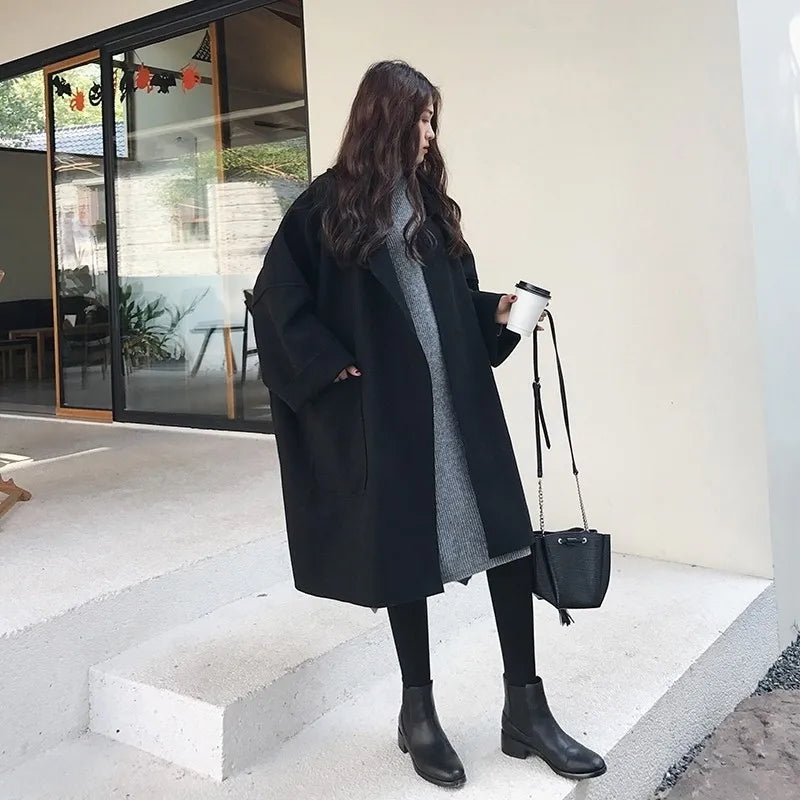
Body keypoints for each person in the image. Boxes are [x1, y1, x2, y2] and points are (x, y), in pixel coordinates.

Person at [250, 60, 605, 789]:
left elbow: (450, 305)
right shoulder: (326, 209)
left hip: (459, 407)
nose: (429, 134)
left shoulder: (430, 209)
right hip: (389, 417)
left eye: (432, 120)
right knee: (403, 555)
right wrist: (328, 364)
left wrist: (497, 309)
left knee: (508, 545)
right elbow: (275, 299)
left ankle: (525, 708)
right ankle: (419, 714)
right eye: (420, 119)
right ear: (385, 119)